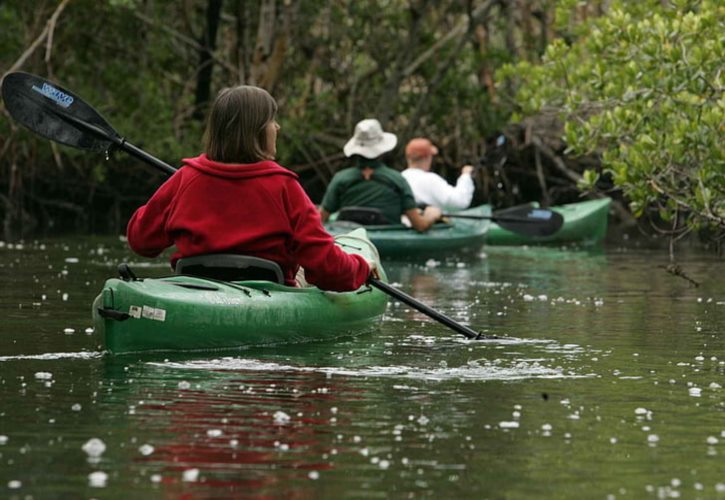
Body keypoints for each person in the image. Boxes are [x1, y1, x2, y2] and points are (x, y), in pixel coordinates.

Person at [126, 85, 375, 292]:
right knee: (304, 271)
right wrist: (361, 268)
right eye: (272, 121)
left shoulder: (185, 178)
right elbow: (328, 270)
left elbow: (141, 240)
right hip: (268, 293)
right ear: (255, 132)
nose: (277, 128)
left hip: (197, 290)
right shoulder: (284, 187)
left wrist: (170, 197)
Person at [319, 119, 441, 231]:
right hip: (390, 241)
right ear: (382, 149)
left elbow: (320, 220)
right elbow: (419, 225)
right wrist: (431, 215)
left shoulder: (340, 179)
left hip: (349, 242)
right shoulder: (397, 180)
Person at [401, 137, 475, 210]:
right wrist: (466, 176)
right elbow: (460, 201)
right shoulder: (430, 180)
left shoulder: (400, 178)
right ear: (427, 157)